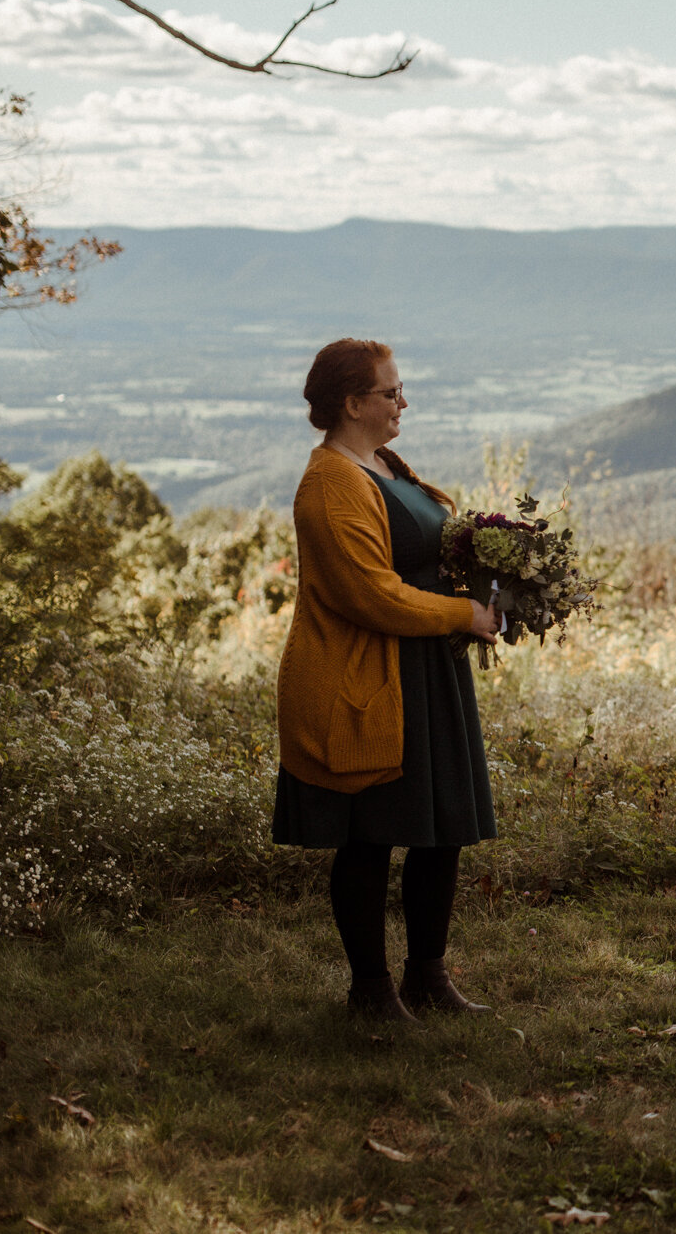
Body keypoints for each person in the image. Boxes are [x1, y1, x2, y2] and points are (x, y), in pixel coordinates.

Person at [273, 338, 502, 1022]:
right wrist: (464, 611)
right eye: (391, 391)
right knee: (371, 834)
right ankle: (369, 989)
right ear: (352, 403)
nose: (404, 401)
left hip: (426, 671)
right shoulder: (330, 483)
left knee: (440, 828)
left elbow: (426, 548)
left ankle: (427, 977)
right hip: (370, 678)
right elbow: (369, 594)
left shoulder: (382, 462)